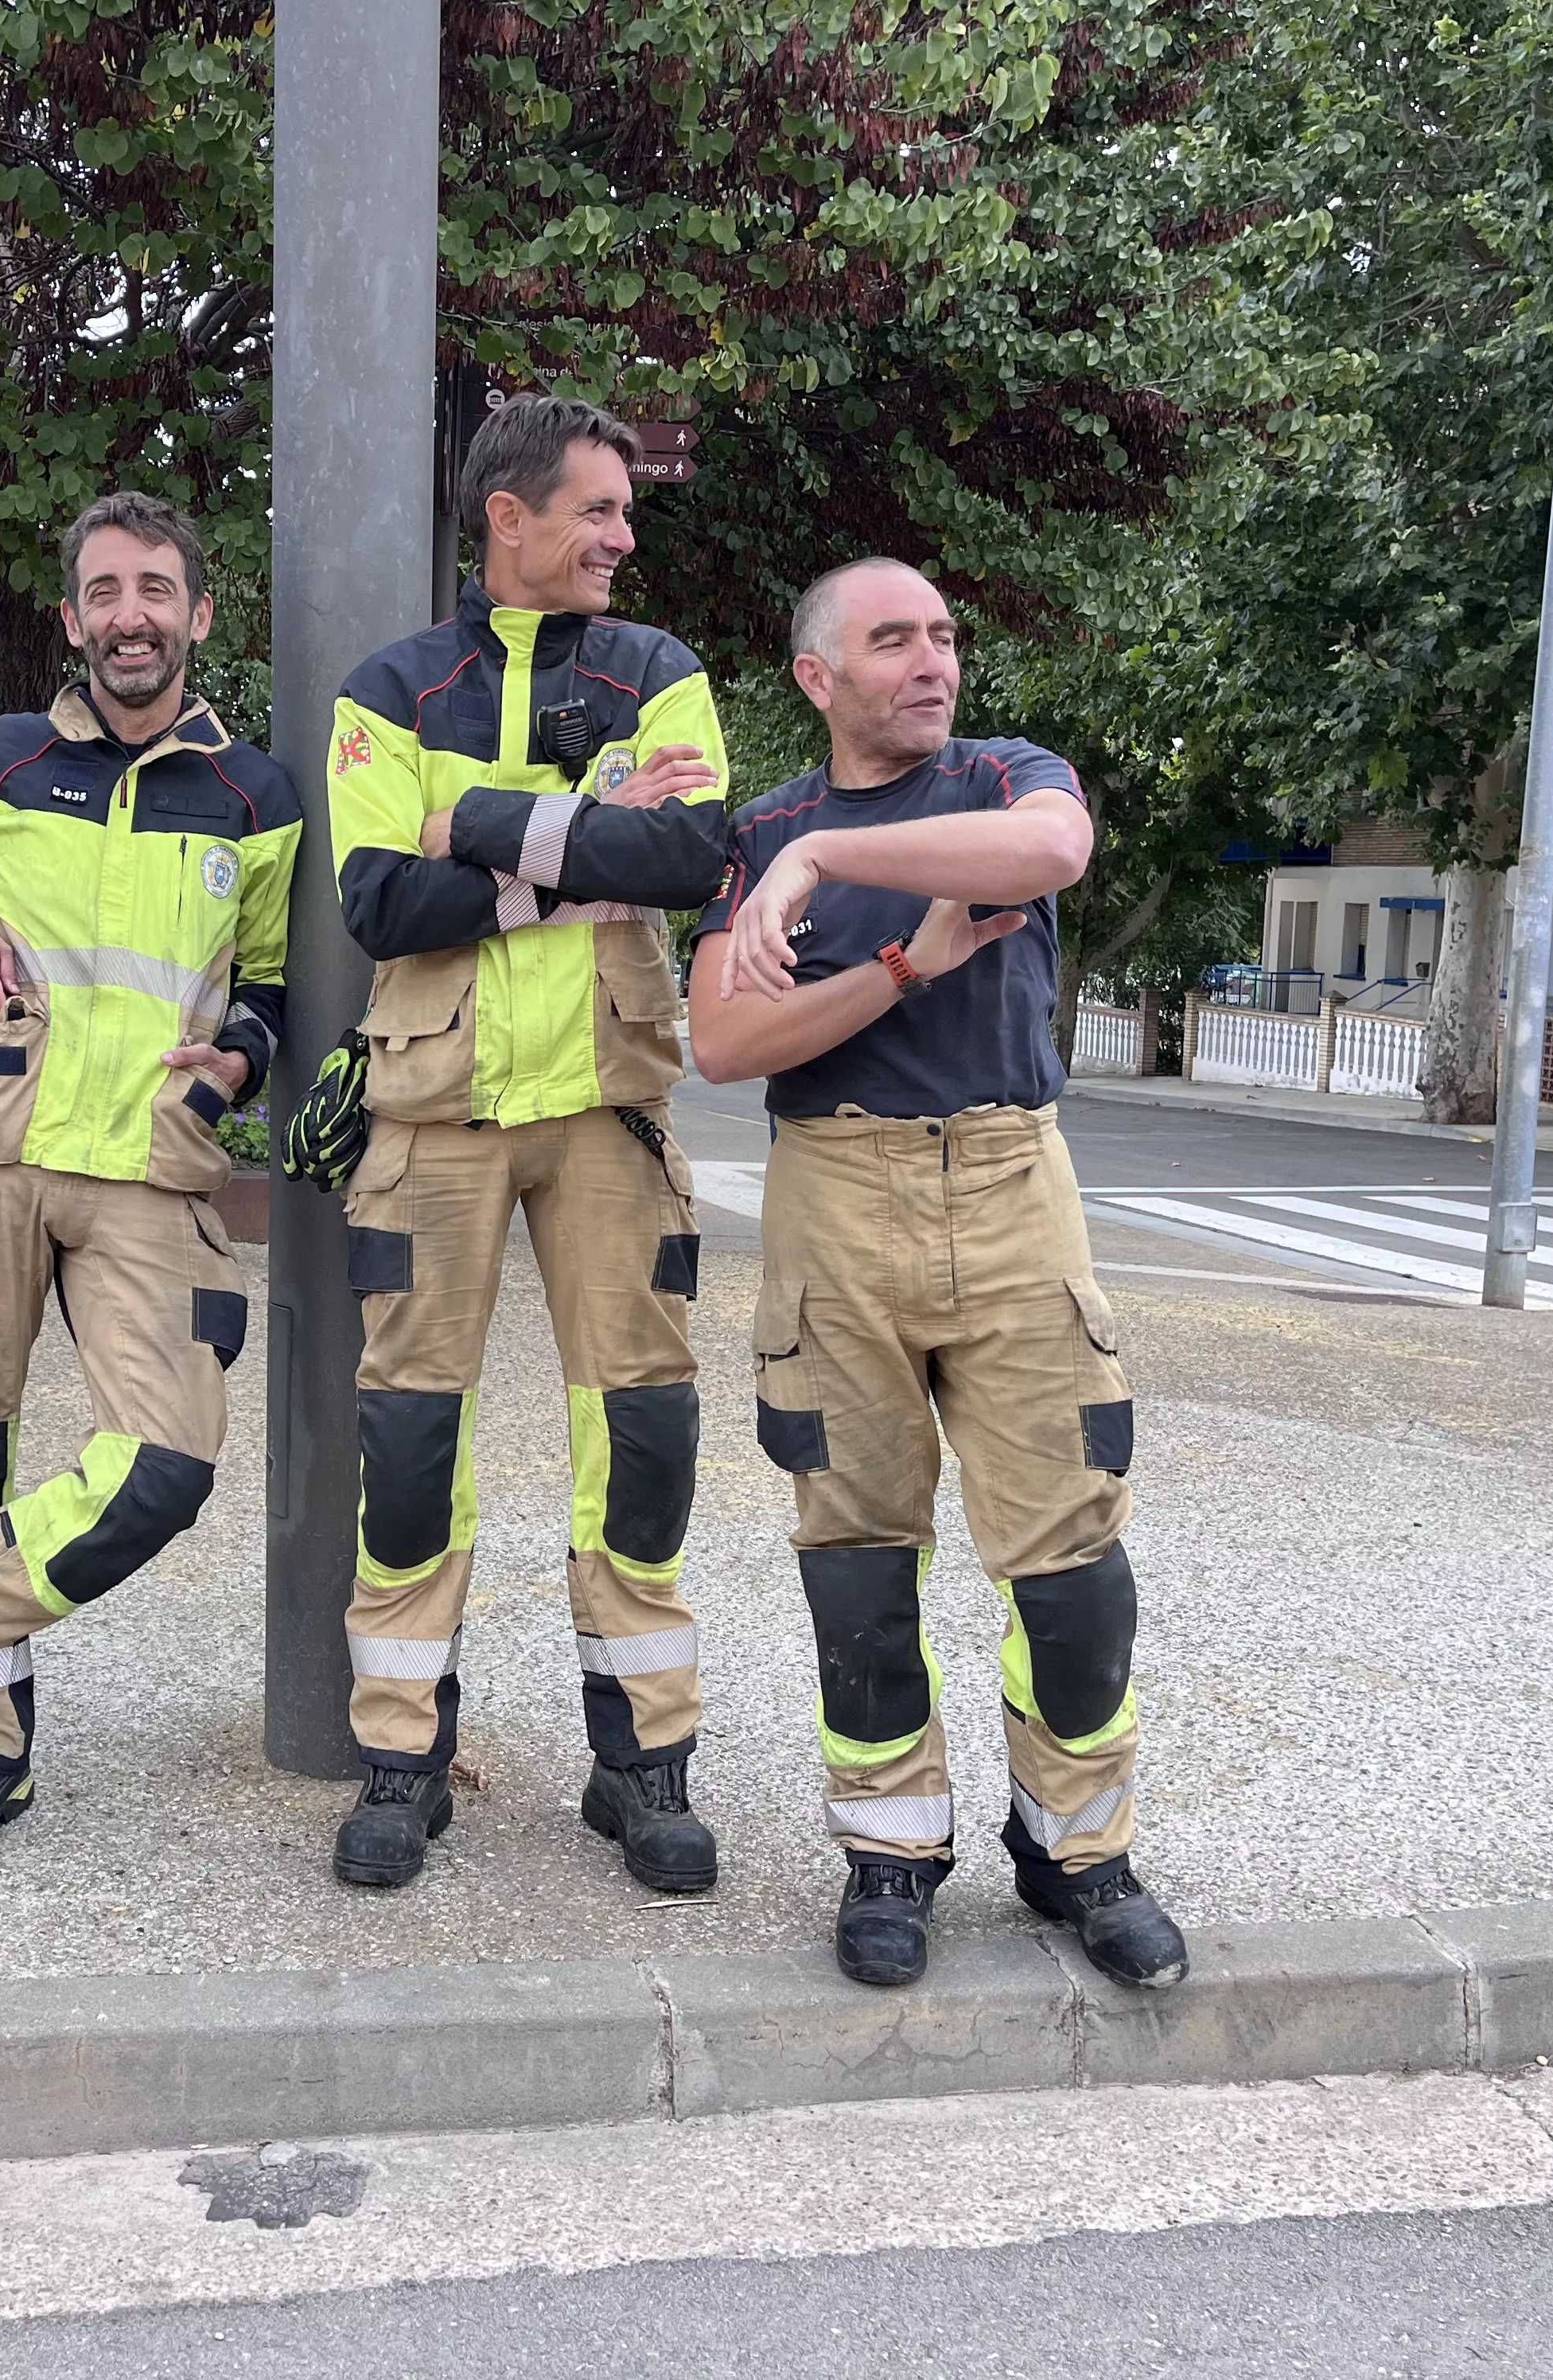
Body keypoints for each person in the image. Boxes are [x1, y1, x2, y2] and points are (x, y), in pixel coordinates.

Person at [692, 555, 1189, 1992]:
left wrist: (828, 867)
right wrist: (899, 968)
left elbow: (1048, 858)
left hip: (1013, 1183)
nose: (932, 661)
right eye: (892, 640)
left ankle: (1080, 1852)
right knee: (857, 1560)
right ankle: (891, 1852)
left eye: (945, 636)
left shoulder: (1007, 774)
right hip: (836, 1200)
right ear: (818, 678)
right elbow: (723, 1046)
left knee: (1076, 1566)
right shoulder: (764, 825)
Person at [0, 493, 300, 1880]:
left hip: (152, 1166)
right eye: (102, 592)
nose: (129, 615)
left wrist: (244, 1061)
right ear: (72, 619)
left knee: (163, 1466)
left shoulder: (258, 797)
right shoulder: (1, 758)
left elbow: (275, 984)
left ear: (199, 616)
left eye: (156, 590)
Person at [322, 395, 730, 1893]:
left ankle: (643, 1769)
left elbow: (685, 856)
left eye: (625, 513)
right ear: (510, 515)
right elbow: (376, 902)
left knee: (642, 1437)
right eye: (601, 511)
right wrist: (577, 837)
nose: (625, 538)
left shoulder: (659, 671)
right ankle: (399, 1760)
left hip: (613, 1116)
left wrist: (474, 827)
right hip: (435, 1118)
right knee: (412, 1439)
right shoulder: (390, 683)